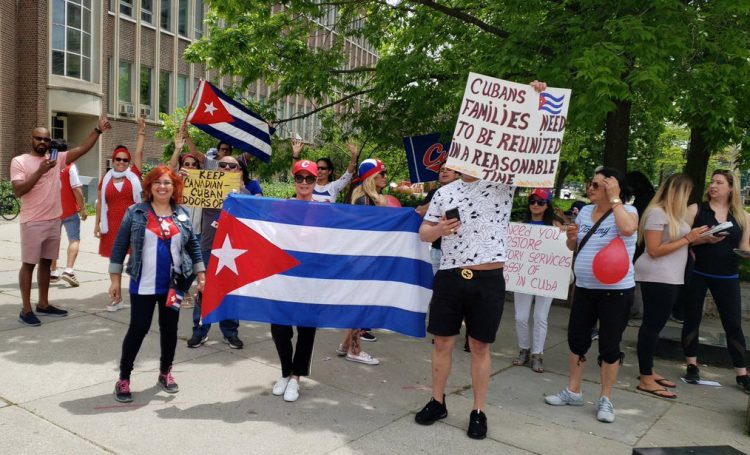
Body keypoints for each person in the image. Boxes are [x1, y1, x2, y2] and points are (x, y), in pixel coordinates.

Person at [412, 78, 547, 442]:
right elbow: (423, 233)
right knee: (442, 341)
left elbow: (526, 147)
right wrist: (439, 228)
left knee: (481, 345)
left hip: (488, 278)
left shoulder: (503, 183)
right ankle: (437, 401)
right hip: (452, 276)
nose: (466, 152)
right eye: (461, 148)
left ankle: (478, 409)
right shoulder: (444, 191)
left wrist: (534, 100)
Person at [545, 167, 638, 424]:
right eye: (590, 183)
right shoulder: (585, 211)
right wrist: (572, 238)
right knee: (577, 339)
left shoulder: (628, 211)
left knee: (609, 345)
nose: (590, 188)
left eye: (597, 185)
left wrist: (616, 199)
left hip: (616, 291)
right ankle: (573, 391)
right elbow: (572, 246)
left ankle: (606, 398)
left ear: (612, 187)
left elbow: (629, 230)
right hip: (585, 287)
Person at [109, 166, 205, 403]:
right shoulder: (136, 212)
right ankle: (124, 378)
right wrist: (115, 278)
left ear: (174, 188)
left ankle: (165, 372)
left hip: (173, 286)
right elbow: (120, 246)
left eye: (167, 183)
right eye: (157, 183)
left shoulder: (181, 214)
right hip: (142, 283)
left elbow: (193, 245)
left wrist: (201, 274)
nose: (162, 187)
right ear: (149, 187)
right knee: (138, 329)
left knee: (170, 330)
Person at [12, 115, 111, 326]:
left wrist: (98, 130)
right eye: (38, 138)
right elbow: (19, 191)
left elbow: (82, 149)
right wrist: (40, 170)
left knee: (47, 264)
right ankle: (26, 309)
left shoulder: (56, 159)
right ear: (31, 140)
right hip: (32, 221)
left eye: (46, 140)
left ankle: (44, 304)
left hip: (53, 220)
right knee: (29, 265)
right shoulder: (19, 161)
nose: (42, 142)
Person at [634, 174, 708, 399]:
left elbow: (674, 242)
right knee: (652, 326)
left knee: (656, 325)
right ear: (678, 192)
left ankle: (649, 370)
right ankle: (645, 378)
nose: (689, 197)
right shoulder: (657, 212)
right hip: (658, 276)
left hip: (671, 276)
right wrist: (688, 239)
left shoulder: (673, 215)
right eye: (687, 192)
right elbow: (654, 249)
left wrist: (701, 238)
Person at [681, 169, 750, 393]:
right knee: (692, 318)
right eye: (711, 181)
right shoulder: (696, 209)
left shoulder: (743, 216)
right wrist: (704, 240)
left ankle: (742, 372)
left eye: (719, 182)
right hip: (698, 272)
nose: (713, 185)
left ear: (731, 188)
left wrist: (746, 254)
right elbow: (679, 240)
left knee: (733, 324)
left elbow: (745, 246)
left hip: (728, 275)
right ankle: (691, 364)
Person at [271, 159, 320, 402]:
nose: (303, 182)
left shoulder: (325, 209)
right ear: (294, 180)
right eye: (299, 178)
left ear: (315, 181)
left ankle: (296, 377)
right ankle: (285, 371)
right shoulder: (282, 207)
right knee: (279, 327)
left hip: (310, 278)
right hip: (283, 275)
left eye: (309, 178)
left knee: (306, 328)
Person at [187, 155, 248, 350]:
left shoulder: (244, 193)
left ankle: (230, 332)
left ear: (238, 170)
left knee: (230, 292)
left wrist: (239, 190)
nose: (227, 168)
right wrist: (184, 179)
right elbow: (180, 194)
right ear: (217, 168)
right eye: (223, 165)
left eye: (232, 166)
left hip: (233, 250)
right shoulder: (206, 187)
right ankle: (200, 330)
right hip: (208, 247)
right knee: (203, 290)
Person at [333, 158, 387, 362]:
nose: (384, 177)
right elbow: (367, 232)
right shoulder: (366, 200)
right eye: (381, 173)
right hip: (363, 259)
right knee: (361, 303)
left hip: (360, 258)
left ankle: (345, 345)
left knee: (357, 302)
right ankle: (354, 350)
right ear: (371, 176)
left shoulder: (365, 198)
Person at [95, 117, 145, 312]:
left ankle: (140, 294)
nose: (122, 162)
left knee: (136, 260)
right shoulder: (105, 179)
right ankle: (117, 297)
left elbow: (139, 152)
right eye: (118, 159)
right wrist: (97, 224)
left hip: (133, 224)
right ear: (113, 160)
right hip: (112, 224)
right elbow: (100, 203)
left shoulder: (134, 176)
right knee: (114, 260)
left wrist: (141, 132)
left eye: (125, 160)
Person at [512, 188, 564, 373]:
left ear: (547, 205)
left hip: (546, 277)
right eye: (532, 201)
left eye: (540, 202)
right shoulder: (520, 226)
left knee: (541, 317)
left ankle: (537, 354)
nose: (535, 205)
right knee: (520, 316)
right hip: (523, 276)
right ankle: (524, 349)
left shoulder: (556, 227)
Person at [50, 140, 88, 287]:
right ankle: (69, 270)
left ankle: (53, 271)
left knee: (53, 241)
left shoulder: (46, 167)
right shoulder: (69, 167)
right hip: (69, 210)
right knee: (74, 239)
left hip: (51, 212)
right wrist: (83, 208)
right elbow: (77, 189)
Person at [415, 163, 461, 274]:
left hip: (459, 250)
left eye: (448, 169)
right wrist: (438, 199)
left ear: (457, 175)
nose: (444, 172)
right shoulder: (433, 193)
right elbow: (419, 211)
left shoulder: (463, 193)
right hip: (437, 249)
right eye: (441, 170)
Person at [291, 139, 359, 203]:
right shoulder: (309, 184)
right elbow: (297, 173)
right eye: (317, 168)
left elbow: (347, 175)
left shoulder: (333, 187)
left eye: (323, 168)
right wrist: (295, 155)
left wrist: (354, 156)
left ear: (330, 171)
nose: (319, 171)